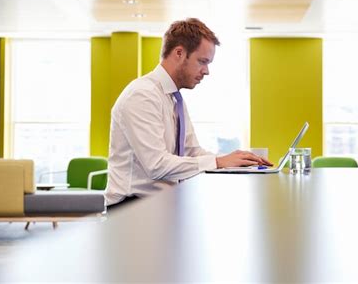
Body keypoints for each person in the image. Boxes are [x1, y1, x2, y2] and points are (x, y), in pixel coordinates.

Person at [105, 18, 272, 208]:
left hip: (160, 206)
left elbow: (192, 152)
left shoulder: (174, 98)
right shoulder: (142, 96)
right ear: (179, 53)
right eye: (202, 61)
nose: (206, 71)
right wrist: (218, 162)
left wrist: (234, 163)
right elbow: (157, 165)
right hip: (131, 208)